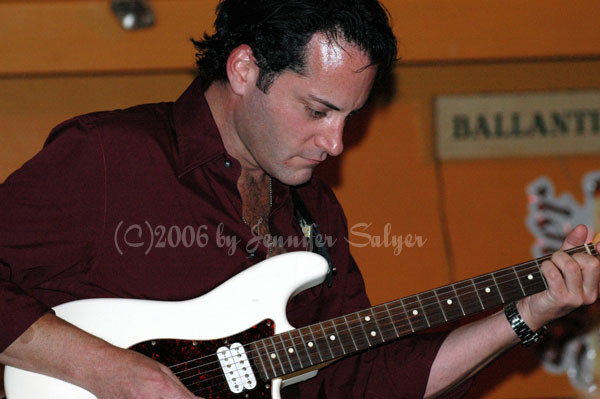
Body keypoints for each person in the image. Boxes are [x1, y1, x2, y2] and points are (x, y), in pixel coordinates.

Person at [0, 0, 599, 398]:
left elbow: (362, 380)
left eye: (350, 117)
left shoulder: (312, 210)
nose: (335, 143)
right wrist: (117, 373)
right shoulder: (112, 157)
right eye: (317, 111)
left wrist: (528, 314)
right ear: (243, 69)